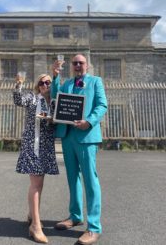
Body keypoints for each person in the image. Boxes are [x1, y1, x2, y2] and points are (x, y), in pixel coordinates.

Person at [51, 54, 107, 245]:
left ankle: (93, 227)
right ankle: (75, 216)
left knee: (90, 179)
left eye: (80, 62)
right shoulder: (66, 84)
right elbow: (55, 98)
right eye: (74, 63)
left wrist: (89, 121)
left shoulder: (95, 81)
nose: (77, 65)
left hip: (86, 136)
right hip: (68, 136)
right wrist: (55, 76)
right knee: (72, 177)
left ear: (87, 65)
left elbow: (102, 105)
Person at [13, 73, 59, 244]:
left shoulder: (54, 103)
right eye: (42, 82)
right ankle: (36, 226)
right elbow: (19, 100)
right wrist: (18, 84)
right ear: (37, 85)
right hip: (33, 145)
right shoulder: (32, 98)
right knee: (36, 184)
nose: (45, 85)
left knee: (40, 183)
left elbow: (59, 120)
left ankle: (32, 214)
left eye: (48, 82)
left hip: (46, 147)